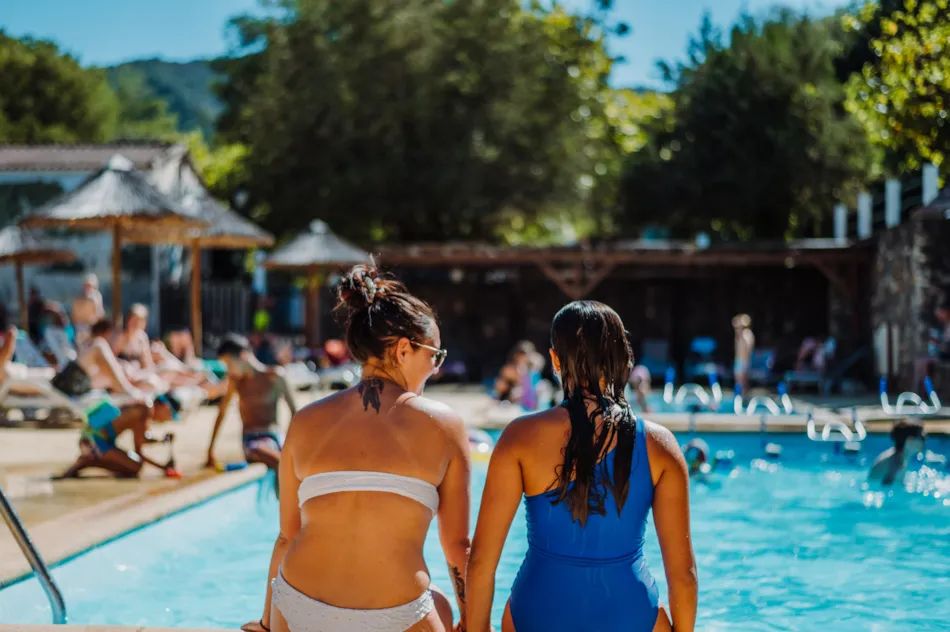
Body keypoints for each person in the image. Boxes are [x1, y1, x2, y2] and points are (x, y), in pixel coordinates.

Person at [242, 265, 470, 632]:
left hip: (299, 604)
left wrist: (269, 623)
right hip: (398, 612)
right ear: (403, 349)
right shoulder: (443, 424)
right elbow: (458, 544)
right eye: (435, 355)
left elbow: (287, 536)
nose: (436, 368)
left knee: (438, 603)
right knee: (441, 607)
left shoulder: (305, 420)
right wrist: (475, 623)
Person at [467, 301, 697, 632]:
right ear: (623, 359)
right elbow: (684, 577)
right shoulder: (661, 446)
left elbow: (480, 564)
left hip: (536, 613)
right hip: (630, 614)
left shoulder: (519, 437)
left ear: (555, 360)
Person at [205, 334, 297, 484]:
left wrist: (289, 446)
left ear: (243, 356)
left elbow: (295, 413)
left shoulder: (275, 377)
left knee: (274, 455)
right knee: (264, 452)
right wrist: (210, 451)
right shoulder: (236, 382)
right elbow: (221, 413)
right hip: (251, 440)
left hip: (275, 437)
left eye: (229, 364)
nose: (228, 371)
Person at [869, 418, 927, 486]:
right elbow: (889, 489)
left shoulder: (897, 456)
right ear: (909, 441)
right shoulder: (897, 464)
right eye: (922, 438)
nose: (925, 440)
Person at [913, 303, 950, 392]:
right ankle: (921, 390)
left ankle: (923, 391)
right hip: (942, 353)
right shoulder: (944, 325)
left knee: (922, 362)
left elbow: (946, 347)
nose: (938, 316)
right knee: (920, 362)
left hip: (946, 355)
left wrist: (936, 343)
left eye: (940, 313)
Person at [71, 274, 105, 347]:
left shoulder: (97, 297)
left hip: (93, 329)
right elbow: (74, 317)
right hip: (80, 329)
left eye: (89, 285)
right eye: (86, 285)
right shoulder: (78, 298)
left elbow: (100, 314)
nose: (87, 288)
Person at [732, 314, 755, 395]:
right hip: (739, 360)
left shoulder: (747, 335)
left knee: (743, 381)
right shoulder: (739, 335)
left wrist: (746, 363)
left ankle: (744, 396)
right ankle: (739, 396)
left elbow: (748, 350)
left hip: (744, 361)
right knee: (738, 381)